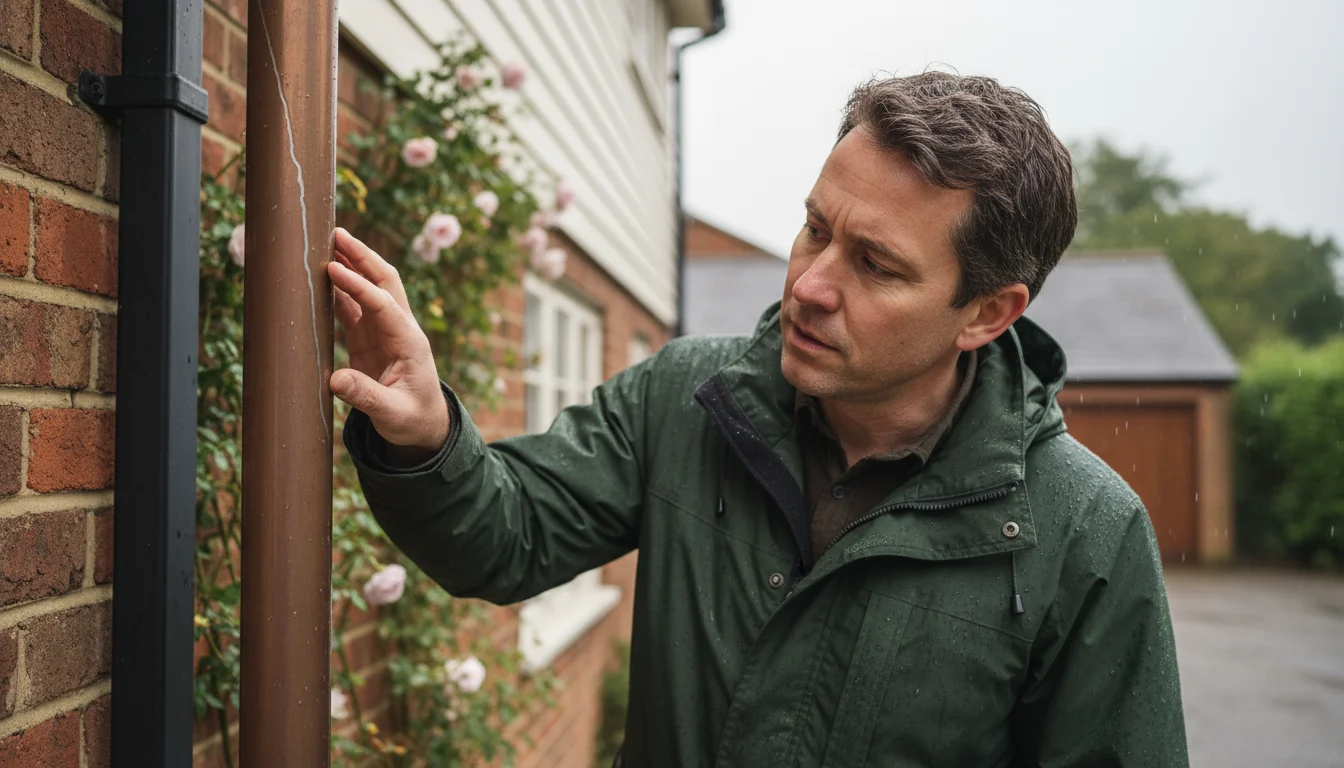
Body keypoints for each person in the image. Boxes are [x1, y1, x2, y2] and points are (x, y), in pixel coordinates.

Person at [329, 71, 1189, 767]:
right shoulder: (688, 397)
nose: (811, 284)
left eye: (876, 265)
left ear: (987, 315)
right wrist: (426, 433)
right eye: (815, 229)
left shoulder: (1086, 532)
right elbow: (504, 535)